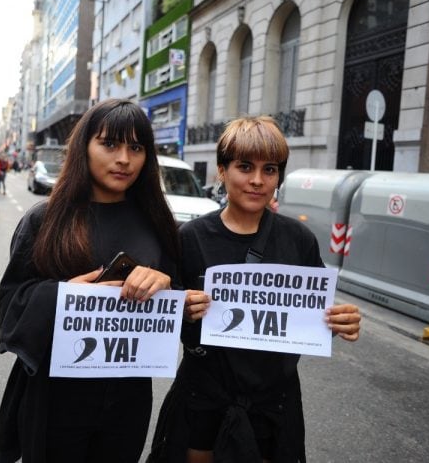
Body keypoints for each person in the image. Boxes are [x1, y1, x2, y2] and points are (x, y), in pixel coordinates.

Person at [148, 116, 361, 463]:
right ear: (222, 170)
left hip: (272, 404)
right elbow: (163, 321)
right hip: (204, 397)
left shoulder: (298, 240)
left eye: (270, 169)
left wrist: (339, 322)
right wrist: (180, 308)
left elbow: (308, 320)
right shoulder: (190, 238)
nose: (258, 180)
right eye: (245, 167)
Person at [0, 99, 180, 463]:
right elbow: (10, 307)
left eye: (136, 148)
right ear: (85, 147)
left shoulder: (159, 224)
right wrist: (65, 295)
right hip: (55, 398)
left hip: (128, 400)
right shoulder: (44, 220)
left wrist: (164, 284)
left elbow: (185, 308)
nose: (124, 159)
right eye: (109, 144)